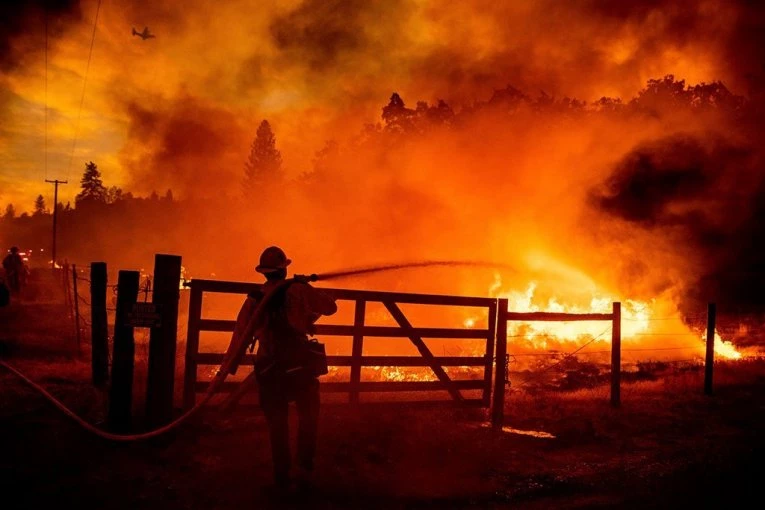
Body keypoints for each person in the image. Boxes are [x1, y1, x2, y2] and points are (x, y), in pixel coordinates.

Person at [230, 246, 337, 492]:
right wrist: (305, 289)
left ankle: (282, 476)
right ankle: (304, 471)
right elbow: (331, 307)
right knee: (308, 418)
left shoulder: (254, 298)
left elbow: (241, 333)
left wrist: (231, 365)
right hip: (300, 366)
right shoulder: (298, 290)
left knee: (277, 424)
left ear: (264, 273)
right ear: (284, 268)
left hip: (269, 368)